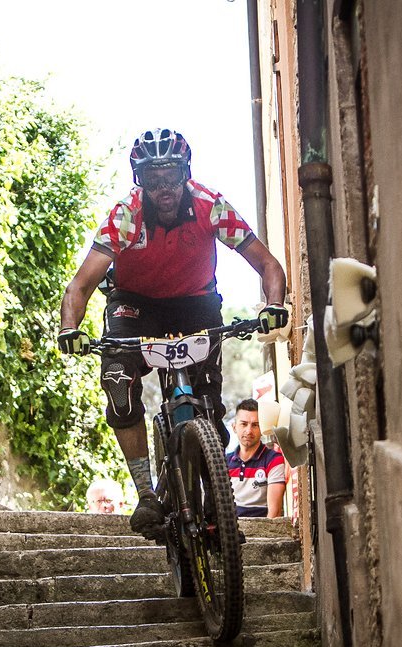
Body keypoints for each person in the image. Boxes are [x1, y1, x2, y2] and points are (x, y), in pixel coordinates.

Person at [57, 128, 288, 541]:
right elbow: (80, 285)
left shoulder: (209, 205)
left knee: (209, 407)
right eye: (152, 179)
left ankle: (212, 498)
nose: (163, 188)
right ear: (139, 180)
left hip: (195, 303)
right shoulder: (125, 215)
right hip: (135, 305)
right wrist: (70, 329)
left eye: (171, 176)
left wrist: (273, 306)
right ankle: (147, 493)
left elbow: (268, 265)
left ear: (186, 173)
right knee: (116, 379)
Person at [226, 399, 286, 518]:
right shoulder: (224, 462)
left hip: (262, 530)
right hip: (230, 530)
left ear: (262, 429)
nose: (248, 431)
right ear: (234, 427)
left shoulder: (274, 460)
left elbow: (274, 512)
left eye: (255, 425)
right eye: (243, 424)